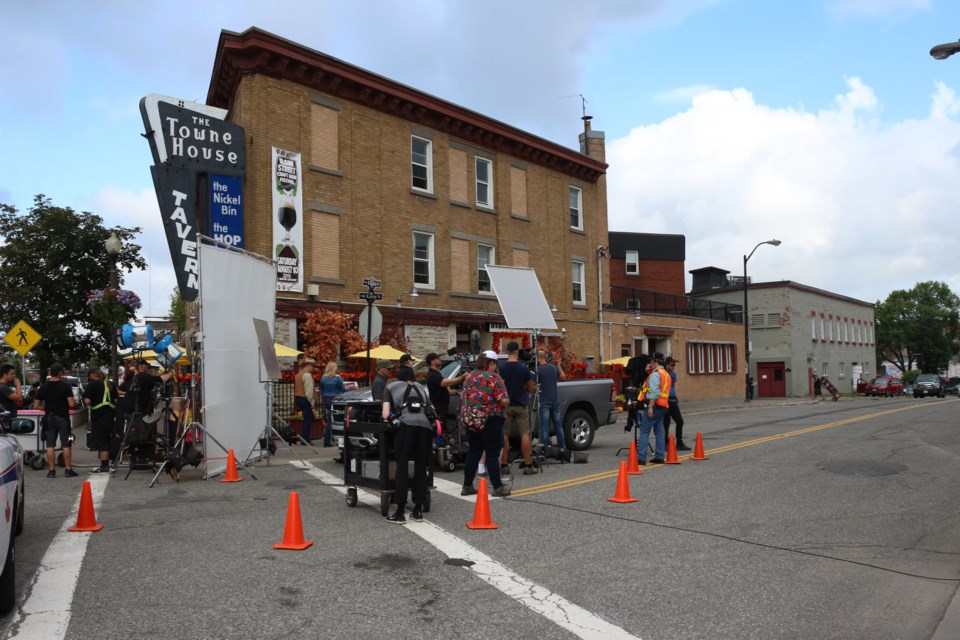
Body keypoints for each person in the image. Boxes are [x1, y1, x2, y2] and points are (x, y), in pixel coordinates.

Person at [382, 367, 435, 524]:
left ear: (399, 378)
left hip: (406, 425)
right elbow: (432, 409)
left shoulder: (391, 386)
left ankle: (399, 512)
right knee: (420, 466)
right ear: (413, 379)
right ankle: (417, 510)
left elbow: (385, 414)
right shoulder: (421, 388)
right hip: (425, 428)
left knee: (402, 465)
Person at [459, 353, 511, 498]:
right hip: (490, 419)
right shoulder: (494, 378)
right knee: (493, 454)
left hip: (471, 418)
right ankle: (497, 487)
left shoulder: (469, 377)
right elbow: (503, 400)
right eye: (494, 363)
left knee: (474, 452)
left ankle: (467, 485)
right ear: (491, 363)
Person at [498, 341, 537, 475]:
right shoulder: (523, 368)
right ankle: (528, 465)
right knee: (525, 434)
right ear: (517, 352)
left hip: (505, 405)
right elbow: (531, 388)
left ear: (507, 351)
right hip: (521, 404)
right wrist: (524, 388)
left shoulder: (501, 368)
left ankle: (504, 465)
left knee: (504, 435)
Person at [34, 362, 78, 477]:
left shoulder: (43, 387)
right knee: (67, 443)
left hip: (49, 419)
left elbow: (36, 405)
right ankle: (68, 469)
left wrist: (47, 408)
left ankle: (51, 471)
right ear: (60, 373)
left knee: (50, 445)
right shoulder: (65, 386)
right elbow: (71, 404)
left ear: (50, 373)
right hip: (63, 418)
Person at [637, 353, 671, 465]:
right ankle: (660, 456)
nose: (650, 362)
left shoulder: (656, 374)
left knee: (644, 431)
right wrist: (649, 373)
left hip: (655, 406)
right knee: (659, 431)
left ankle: (641, 458)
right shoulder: (665, 374)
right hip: (663, 406)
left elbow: (655, 392)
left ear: (656, 361)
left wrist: (650, 407)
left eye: (651, 360)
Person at [83, 369, 117, 473]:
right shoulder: (110, 384)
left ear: (92, 375)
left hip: (98, 417)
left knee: (101, 442)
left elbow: (87, 401)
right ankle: (112, 464)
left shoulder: (92, 385)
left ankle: (104, 466)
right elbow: (116, 400)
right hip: (110, 416)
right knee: (108, 439)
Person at [536, 350, 567, 453]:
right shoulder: (553, 368)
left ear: (538, 358)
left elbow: (532, 386)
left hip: (544, 401)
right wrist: (558, 366)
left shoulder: (538, 370)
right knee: (558, 425)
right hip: (555, 400)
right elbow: (563, 377)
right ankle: (563, 448)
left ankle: (546, 450)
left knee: (545, 426)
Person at [425, 352, 465, 432]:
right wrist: (462, 377)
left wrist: (457, 392)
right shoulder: (433, 375)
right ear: (432, 362)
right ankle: (439, 442)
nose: (440, 360)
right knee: (439, 426)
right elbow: (446, 383)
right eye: (437, 358)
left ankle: (444, 441)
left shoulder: (437, 374)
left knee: (443, 426)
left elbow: (447, 390)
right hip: (438, 407)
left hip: (443, 408)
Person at [661, 356, 690, 451]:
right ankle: (665, 442)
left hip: (673, 401)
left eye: (674, 365)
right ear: (666, 364)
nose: (673, 367)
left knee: (680, 421)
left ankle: (679, 442)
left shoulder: (673, 374)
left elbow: (673, 384)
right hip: (665, 401)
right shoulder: (662, 374)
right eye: (672, 365)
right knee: (666, 423)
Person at [319, 361, 347, 447]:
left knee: (330, 419)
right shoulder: (338, 378)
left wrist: (324, 395)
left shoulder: (323, 378)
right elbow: (343, 390)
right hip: (335, 400)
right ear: (335, 368)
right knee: (335, 421)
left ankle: (330, 440)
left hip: (326, 399)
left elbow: (321, 390)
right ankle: (328, 441)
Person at [293, 358, 317, 445]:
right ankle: (305, 439)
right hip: (305, 399)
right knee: (309, 419)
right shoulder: (307, 375)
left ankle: (303, 437)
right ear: (309, 366)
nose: (313, 369)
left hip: (298, 398)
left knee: (307, 418)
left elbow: (301, 387)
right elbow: (308, 391)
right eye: (313, 367)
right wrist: (311, 402)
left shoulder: (298, 374)